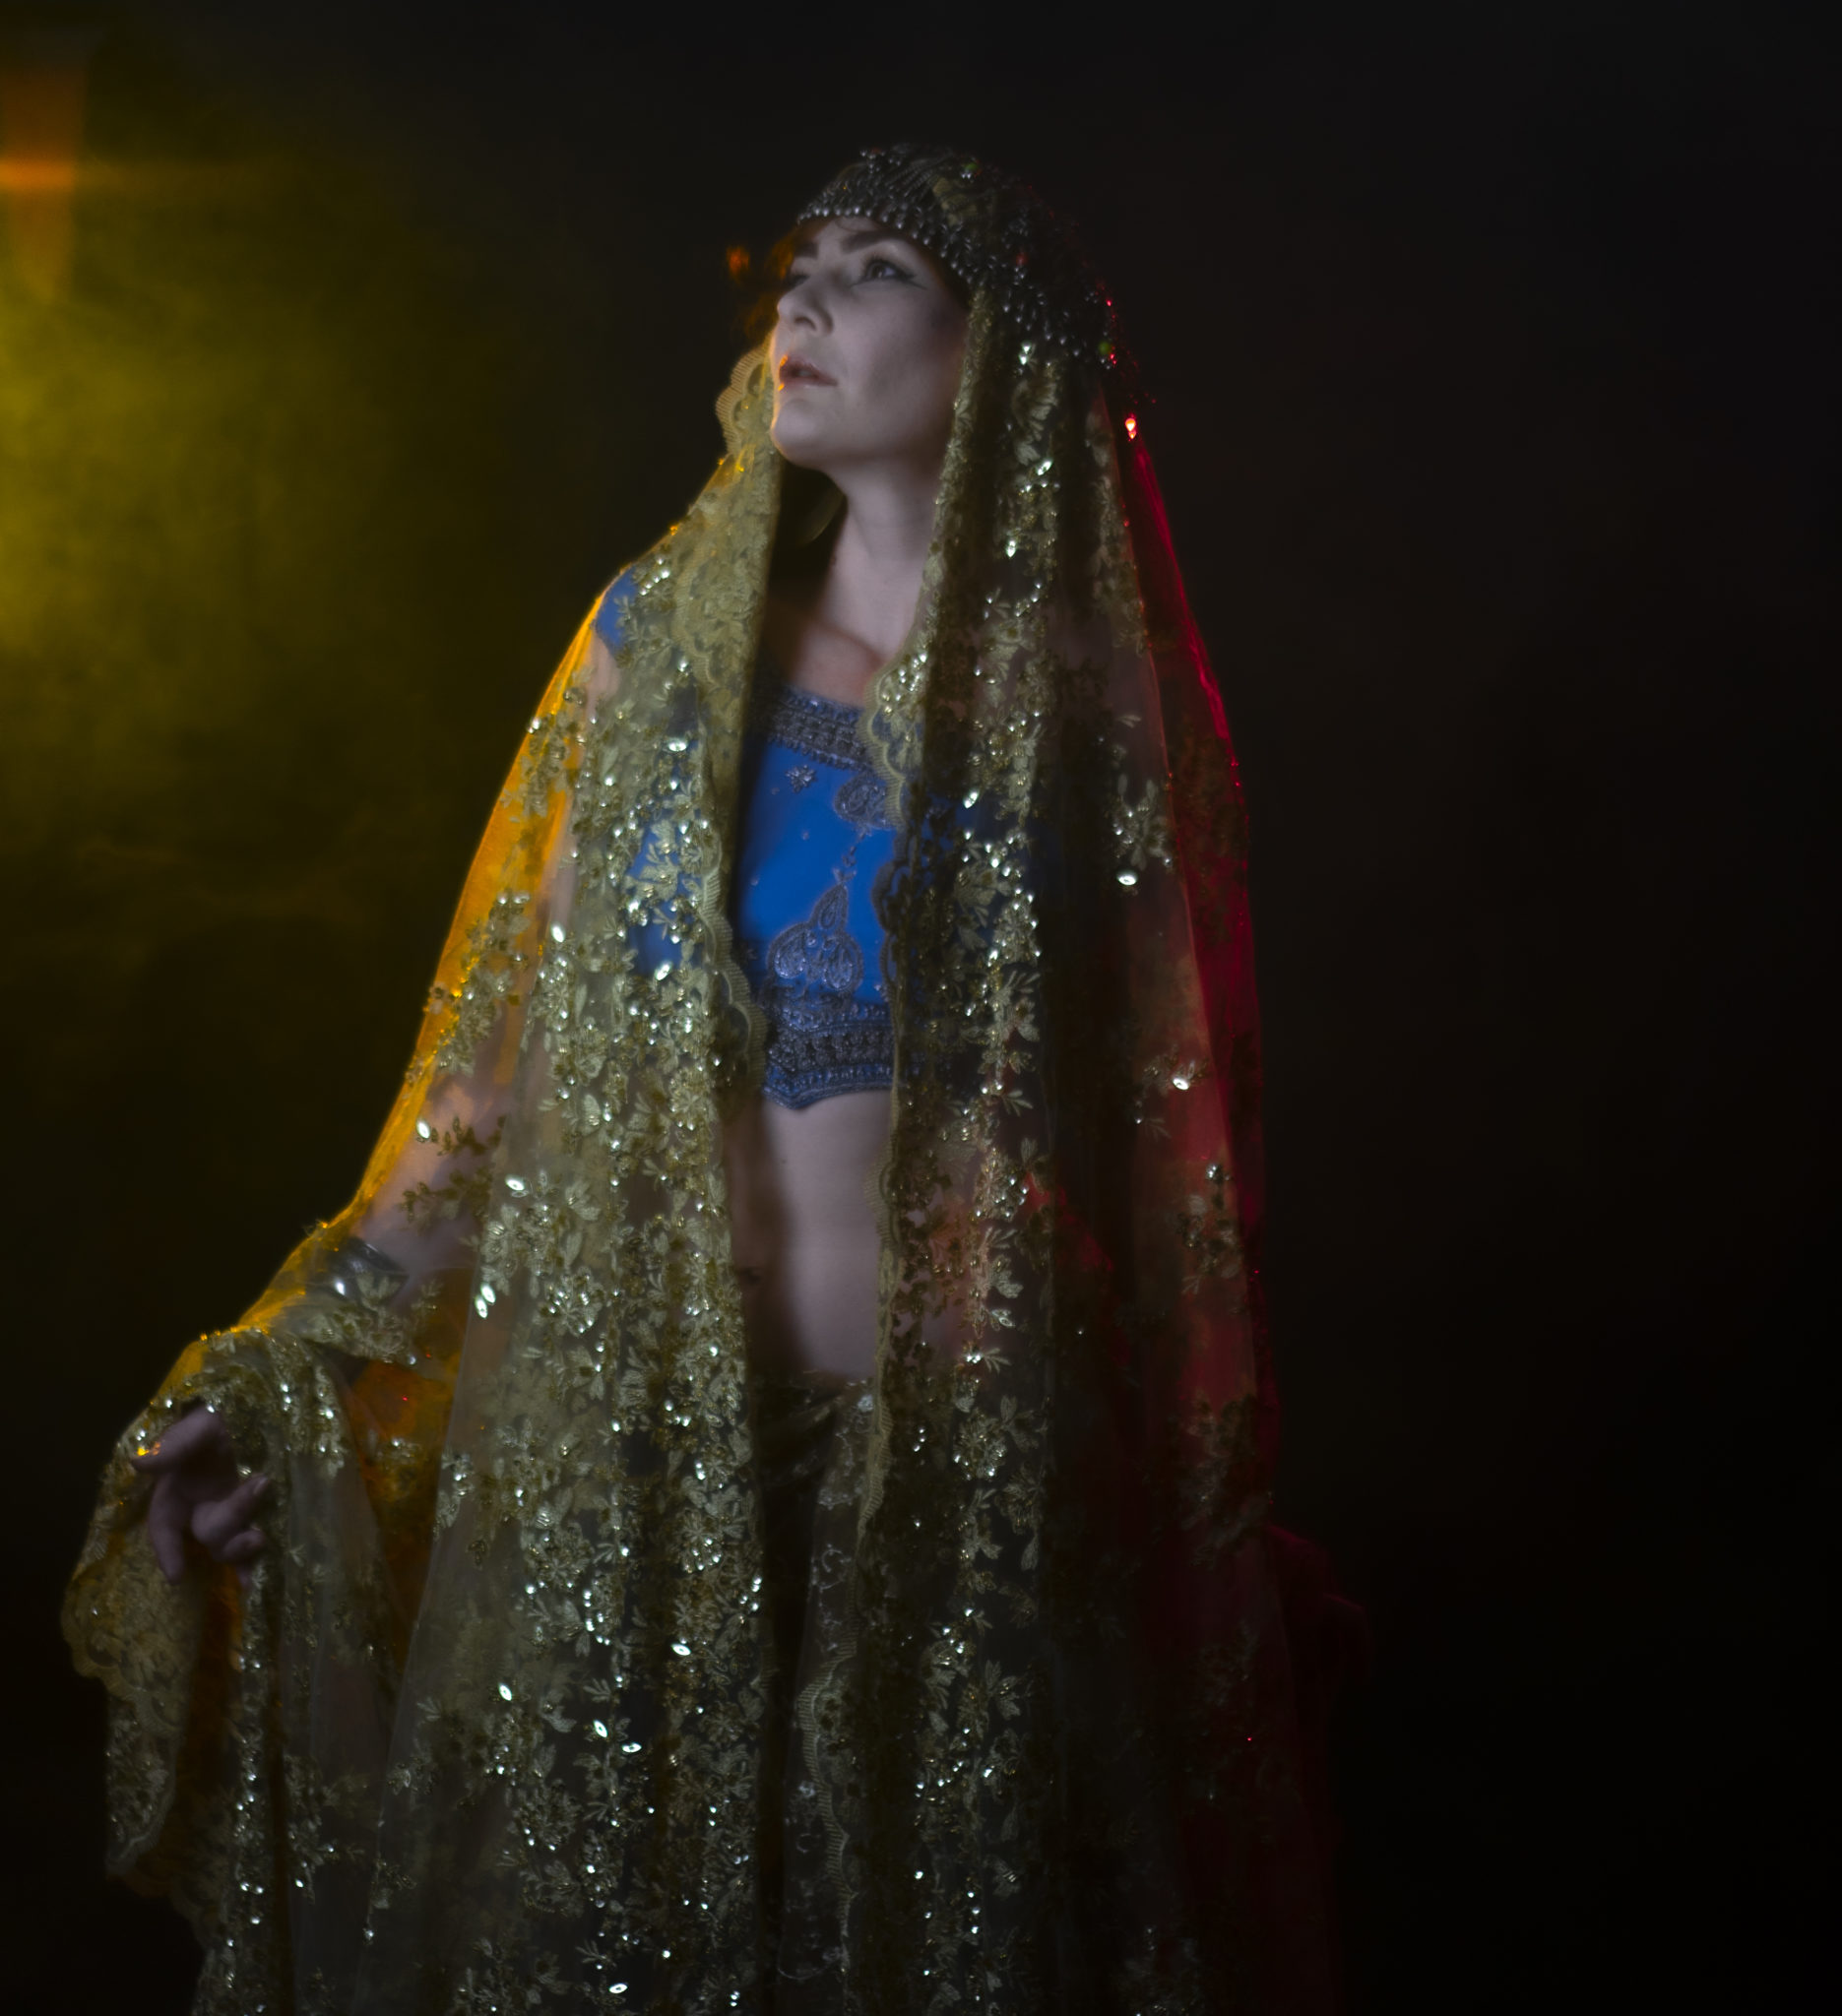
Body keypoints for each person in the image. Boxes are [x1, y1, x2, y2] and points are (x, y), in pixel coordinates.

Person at [66, 144, 1347, 2013]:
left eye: (881, 267)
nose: (805, 298)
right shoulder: (659, 649)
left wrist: (1205, 1526)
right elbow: (489, 1084)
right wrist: (285, 1376)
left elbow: (1176, 1154)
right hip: (654, 1488)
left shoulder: (1093, 699)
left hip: (988, 1507)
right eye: (802, 261)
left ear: (1001, 347)